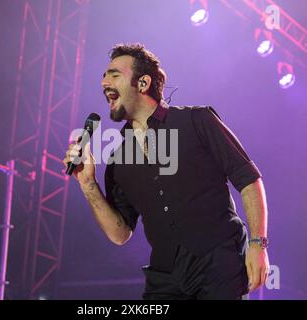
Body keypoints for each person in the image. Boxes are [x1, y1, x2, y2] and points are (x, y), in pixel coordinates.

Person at [63, 43, 269, 300]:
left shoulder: (196, 121)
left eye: (114, 74)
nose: (104, 81)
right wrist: (88, 184)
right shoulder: (117, 159)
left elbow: (248, 179)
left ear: (143, 83)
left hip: (218, 263)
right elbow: (120, 233)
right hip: (164, 277)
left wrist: (258, 245)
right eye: (104, 75)